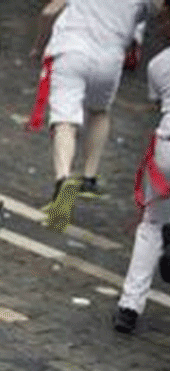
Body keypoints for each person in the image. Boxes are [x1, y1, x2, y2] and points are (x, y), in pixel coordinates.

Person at [28, 0, 163, 232]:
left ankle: (63, 180)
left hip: (71, 48)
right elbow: (161, 12)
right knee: (99, 113)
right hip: (110, 59)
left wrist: (38, 45)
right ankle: (89, 177)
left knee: (65, 122)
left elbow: (49, 11)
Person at [114, 0, 170, 334]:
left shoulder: (160, 64)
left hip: (167, 149)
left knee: (150, 224)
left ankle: (129, 305)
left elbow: (157, 103)